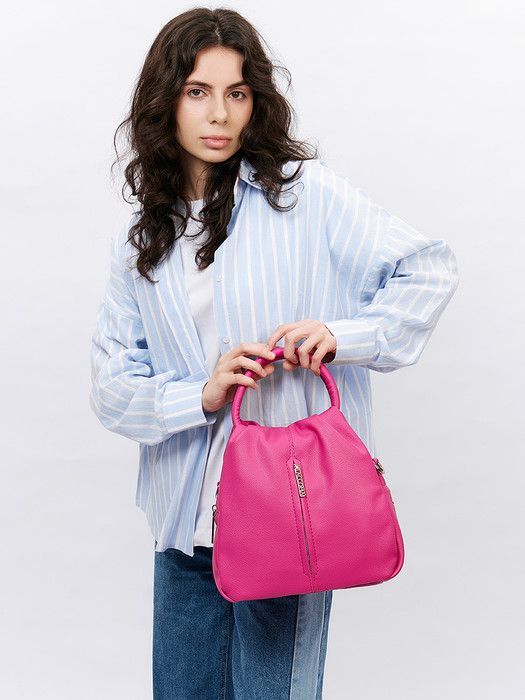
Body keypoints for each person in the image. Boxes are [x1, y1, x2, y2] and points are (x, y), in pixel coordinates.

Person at [89, 7, 458, 699]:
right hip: (185, 522)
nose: (219, 113)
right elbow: (111, 385)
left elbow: (426, 267)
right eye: (198, 91)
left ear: (255, 100)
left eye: (236, 92)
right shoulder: (143, 238)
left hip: (290, 514)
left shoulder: (302, 195)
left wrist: (342, 336)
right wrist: (200, 394)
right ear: (166, 101)